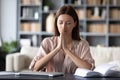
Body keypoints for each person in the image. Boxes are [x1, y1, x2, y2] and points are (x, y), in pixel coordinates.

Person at [29, 5, 94, 74]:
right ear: (56, 23)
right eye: (60, 23)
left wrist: (67, 50)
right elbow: (35, 68)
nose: (63, 27)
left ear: (74, 24)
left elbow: (89, 69)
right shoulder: (47, 42)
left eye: (68, 23)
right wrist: (57, 49)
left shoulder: (83, 44)